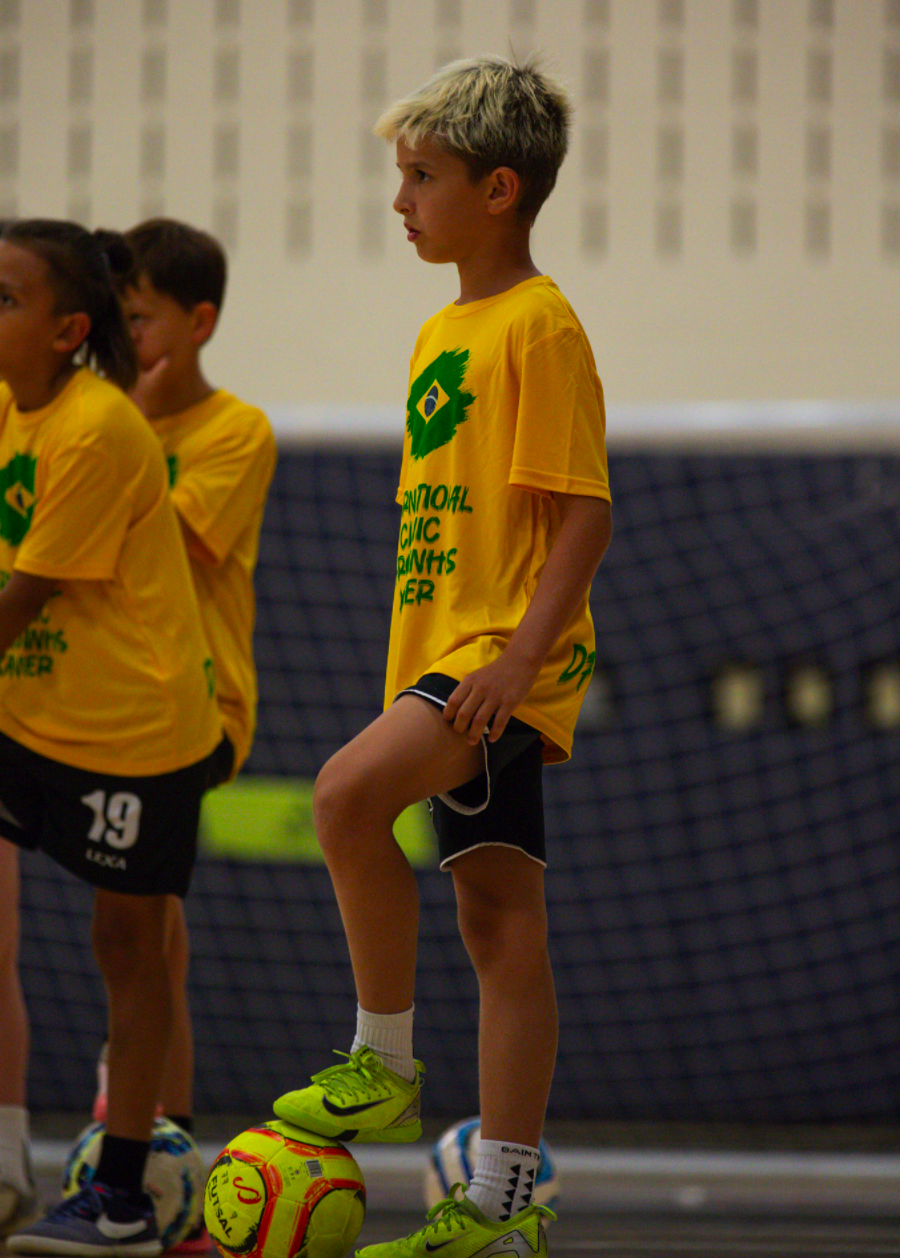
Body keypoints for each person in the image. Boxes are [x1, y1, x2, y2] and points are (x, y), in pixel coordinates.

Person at [272, 56, 613, 1257]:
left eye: (423, 176)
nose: (401, 200)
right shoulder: (442, 328)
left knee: (342, 795)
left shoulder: (541, 322)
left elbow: (583, 514)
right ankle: (500, 1202)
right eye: (399, 176)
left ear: (501, 189)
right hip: (446, 650)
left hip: (491, 660)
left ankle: (384, 1058)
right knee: (500, 919)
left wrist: (519, 664)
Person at [0, 218, 221, 1256]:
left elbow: (22, 599)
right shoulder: (7, 407)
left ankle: (123, 1197)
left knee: (128, 948)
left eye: (6, 298)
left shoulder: (94, 429)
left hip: (130, 730)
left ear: (66, 329)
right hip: (26, 712)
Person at [92, 218, 277, 1151]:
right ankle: (145, 1124)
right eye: (114, 322)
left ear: (199, 321)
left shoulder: (234, 431)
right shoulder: (89, 420)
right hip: (88, 701)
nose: (126, 343)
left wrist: (110, 420)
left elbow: (166, 541)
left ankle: (154, 1138)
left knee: (148, 923)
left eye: (142, 320)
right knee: (137, 924)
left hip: (194, 703)